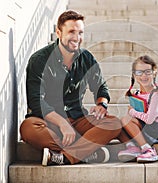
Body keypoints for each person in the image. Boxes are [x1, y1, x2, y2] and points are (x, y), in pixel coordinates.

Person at [19, 10, 122, 166]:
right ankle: (86, 152)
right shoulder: (39, 60)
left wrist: (102, 104)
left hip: (78, 120)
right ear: (59, 32)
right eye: (71, 31)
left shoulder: (86, 58)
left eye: (80, 32)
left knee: (113, 123)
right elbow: (36, 101)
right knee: (27, 128)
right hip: (48, 122)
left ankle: (65, 156)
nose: (77, 37)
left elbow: (101, 87)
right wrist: (62, 123)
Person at [117, 55, 158, 163]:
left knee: (126, 119)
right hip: (145, 127)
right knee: (116, 124)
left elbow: (150, 119)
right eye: (139, 72)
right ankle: (132, 147)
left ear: (154, 72)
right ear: (134, 75)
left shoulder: (156, 94)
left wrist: (132, 111)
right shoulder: (137, 93)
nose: (143, 76)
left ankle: (148, 149)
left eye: (148, 72)